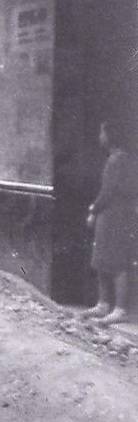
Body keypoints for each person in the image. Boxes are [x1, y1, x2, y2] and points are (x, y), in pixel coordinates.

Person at [84, 120, 138, 325]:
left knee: (116, 260)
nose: (100, 137)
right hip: (114, 215)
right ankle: (103, 304)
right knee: (103, 257)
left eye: (102, 132)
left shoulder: (116, 160)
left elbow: (107, 191)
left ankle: (118, 308)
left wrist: (93, 209)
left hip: (114, 214)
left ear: (110, 136)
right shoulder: (123, 159)